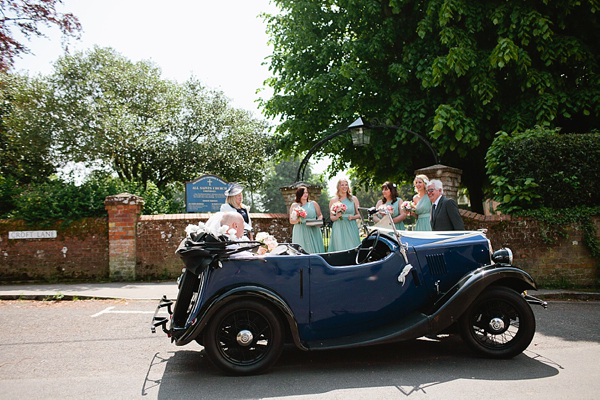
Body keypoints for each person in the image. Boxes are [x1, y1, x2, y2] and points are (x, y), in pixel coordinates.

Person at [328, 179, 361, 252]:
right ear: (338, 187)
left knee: (352, 245)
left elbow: (359, 215)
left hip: (351, 225)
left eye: (346, 185)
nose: (344, 187)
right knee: (339, 246)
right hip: (338, 226)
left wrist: (353, 217)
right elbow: (331, 217)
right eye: (342, 185)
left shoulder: (354, 199)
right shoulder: (333, 200)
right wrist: (336, 217)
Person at [290, 186, 325, 253]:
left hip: (313, 228)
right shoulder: (294, 205)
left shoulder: (313, 203)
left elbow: (320, 215)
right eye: (303, 193)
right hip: (300, 229)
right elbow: (291, 221)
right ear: (299, 194)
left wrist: (318, 221)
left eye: (306, 192)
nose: (305, 194)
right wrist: (298, 220)